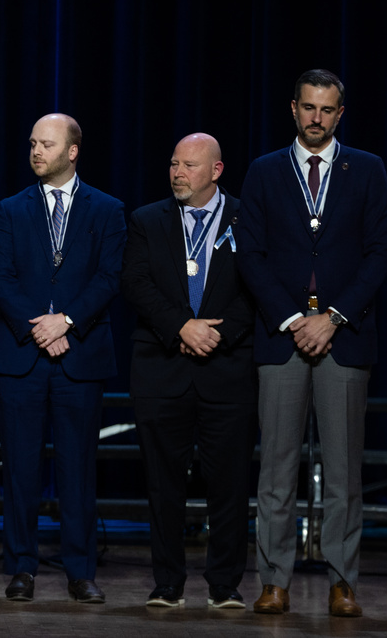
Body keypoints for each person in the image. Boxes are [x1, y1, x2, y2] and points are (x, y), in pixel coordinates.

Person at [236, 69, 387, 617]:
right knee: (275, 470)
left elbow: (380, 252)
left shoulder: (368, 169)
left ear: (340, 114)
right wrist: (291, 319)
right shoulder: (263, 171)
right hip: (282, 339)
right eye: (308, 108)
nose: (316, 119)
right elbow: (249, 255)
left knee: (344, 471)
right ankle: (274, 580)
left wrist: (333, 317)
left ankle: (342, 580)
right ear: (294, 108)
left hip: (344, 338)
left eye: (327, 110)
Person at [0, 113, 126, 602]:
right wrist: (41, 327)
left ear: (72, 151)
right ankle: (21, 568)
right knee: (20, 469)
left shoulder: (107, 209)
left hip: (80, 356)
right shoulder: (11, 208)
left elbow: (110, 277)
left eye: (46, 144)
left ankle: (79, 571)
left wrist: (65, 321)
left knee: (77, 471)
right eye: (31, 144)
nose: (36, 152)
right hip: (23, 355)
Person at [120, 133, 256, 609]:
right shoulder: (145, 220)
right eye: (174, 163)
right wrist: (181, 326)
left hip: (227, 367)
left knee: (230, 483)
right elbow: (135, 282)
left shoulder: (247, 216)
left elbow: (258, 286)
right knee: (163, 482)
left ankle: (225, 585)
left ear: (216, 171)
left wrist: (217, 334)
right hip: (162, 367)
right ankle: (168, 584)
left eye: (190, 166)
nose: (178, 173)